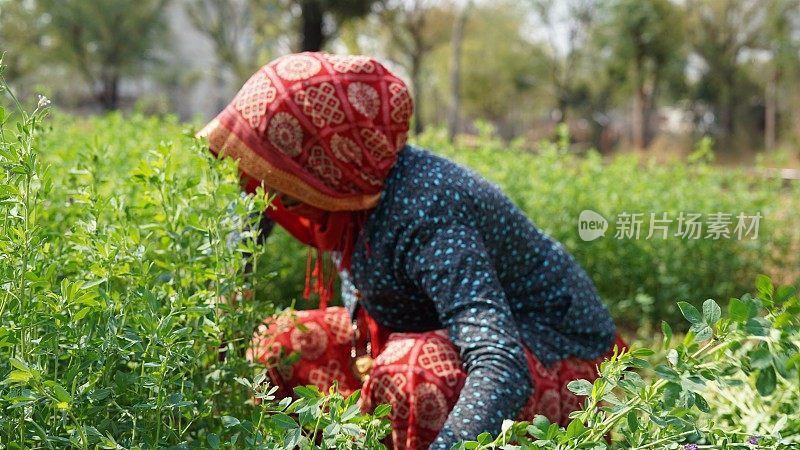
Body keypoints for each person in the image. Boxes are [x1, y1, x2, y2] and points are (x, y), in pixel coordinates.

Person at [198, 52, 624, 450]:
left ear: (329, 168)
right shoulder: (347, 187)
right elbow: (248, 226)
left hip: (558, 358)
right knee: (277, 343)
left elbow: (500, 364)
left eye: (282, 178)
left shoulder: (429, 208)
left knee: (412, 372)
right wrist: (212, 339)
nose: (270, 193)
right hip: (398, 334)